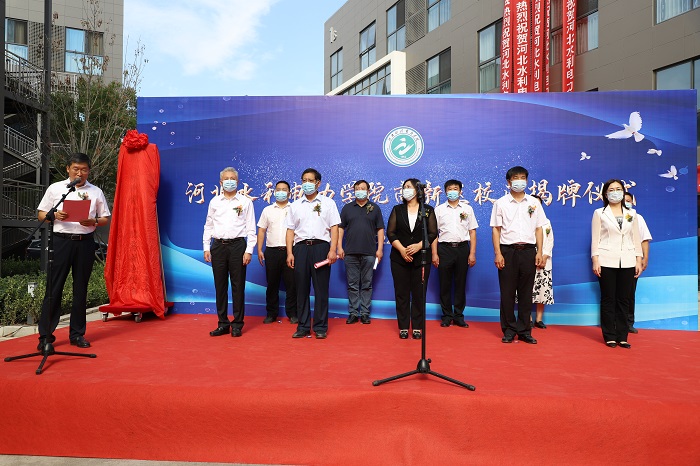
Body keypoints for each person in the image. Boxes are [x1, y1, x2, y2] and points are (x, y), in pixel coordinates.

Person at [36, 152, 111, 350]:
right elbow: (41, 214)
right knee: (54, 288)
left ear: (89, 171)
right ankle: (45, 337)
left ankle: (77, 334)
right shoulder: (56, 189)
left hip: (85, 243)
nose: (80, 173)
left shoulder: (96, 191)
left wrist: (94, 221)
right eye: (76, 169)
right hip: (61, 242)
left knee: (80, 289)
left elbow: (105, 218)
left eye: (84, 169)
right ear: (68, 169)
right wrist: (55, 215)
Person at [490, 166, 546, 344]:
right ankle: (508, 329)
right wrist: (498, 253)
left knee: (525, 293)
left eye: (523, 178)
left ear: (527, 181)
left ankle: (524, 330)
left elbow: (539, 228)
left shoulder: (534, 202)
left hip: (528, 251)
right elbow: (496, 230)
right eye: (515, 178)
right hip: (508, 251)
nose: (519, 181)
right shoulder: (501, 203)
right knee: (507, 293)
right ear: (509, 182)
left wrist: (539, 251)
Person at [286, 168, 340, 339]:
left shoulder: (328, 203)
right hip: (300, 248)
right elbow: (290, 230)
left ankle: (320, 327)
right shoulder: (295, 205)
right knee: (301, 289)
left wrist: (332, 249)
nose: (306, 184)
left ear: (318, 183)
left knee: (321, 289)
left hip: (321, 248)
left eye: (310, 180)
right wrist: (290, 253)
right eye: (304, 180)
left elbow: (334, 227)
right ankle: (303, 326)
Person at [203, 167, 256, 338]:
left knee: (238, 286)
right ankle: (223, 323)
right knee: (220, 287)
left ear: (238, 182)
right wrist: (206, 247)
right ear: (221, 182)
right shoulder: (214, 202)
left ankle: (238, 324)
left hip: (238, 246)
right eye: (226, 179)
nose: (229, 181)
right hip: (218, 246)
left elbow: (251, 228)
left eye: (233, 178)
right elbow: (208, 225)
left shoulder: (245, 202)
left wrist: (249, 250)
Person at [591, 179, 643, 349]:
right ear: (606, 194)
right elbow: (595, 239)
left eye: (618, 189)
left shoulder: (631, 213)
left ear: (623, 192)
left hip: (628, 260)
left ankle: (622, 336)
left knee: (624, 299)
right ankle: (609, 336)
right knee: (608, 298)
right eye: (611, 190)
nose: (615, 192)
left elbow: (636, 238)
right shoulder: (599, 213)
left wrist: (638, 259)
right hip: (606, 259)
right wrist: (595, 260)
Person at [387, 178, 437, 340]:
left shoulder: (427, 210)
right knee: (401, 293)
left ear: (417, 190)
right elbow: (391, 233)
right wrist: (402, 250)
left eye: (408, 187)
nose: (405, 189)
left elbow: (433, 233)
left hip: (421, 258)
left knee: (419, 294)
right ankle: (403, 327)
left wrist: (419, 246)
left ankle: (417, 327)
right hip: (399, 258)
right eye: (404, 187)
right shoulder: (397, 209)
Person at [431, 179, 477, 328]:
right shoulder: (439, 210)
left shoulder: (468, 209)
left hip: (463, 249)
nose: (452, 191)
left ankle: (458, 316)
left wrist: (472, 253)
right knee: (444, 284)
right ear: (445, 192)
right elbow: (434, 234)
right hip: (444, 249)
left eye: (455, 189)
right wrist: (434, 254)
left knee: (460, 284)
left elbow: (472, 232)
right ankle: (446, 316)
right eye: (449, 189)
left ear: (460, 191)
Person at [338, 180, 385, 325]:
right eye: (357, 189)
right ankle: (353, 313)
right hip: (350, 253)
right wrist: (339, 247)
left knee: (366, 284)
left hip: (369, 253)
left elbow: (380, 229)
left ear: (368, 191)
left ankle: (365, 313)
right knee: (352, 284)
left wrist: (380, 249)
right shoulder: (347, 208)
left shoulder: (375, 208)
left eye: (362, 188)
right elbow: (341, 228)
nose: (360, 191)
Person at [257, 180, 298, 324]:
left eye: (284, 189)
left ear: (289, 193)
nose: (281, 192)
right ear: (274, 192)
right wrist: (259, 249)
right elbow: (262, 230)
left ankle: (292, 313)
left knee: (292, 285)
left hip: (290, 251)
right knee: (272, 284)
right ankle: (271, 313)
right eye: (278, 189)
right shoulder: (267, 210)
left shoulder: (295, 209)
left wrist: (292, 251)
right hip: (272, 251)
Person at [624, 192, 651, 334]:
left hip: (633, 260)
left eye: (629, 200)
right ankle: (612, 323)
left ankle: (628, 323)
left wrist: (644, 258)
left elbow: (644, 239)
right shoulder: (607, 216)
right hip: (613, 260)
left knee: (629, 293)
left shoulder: (637, 218)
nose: (626, 202)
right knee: (612, 294)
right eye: (624, 200)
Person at [531, 195, 553, 329]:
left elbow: (550, 240)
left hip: (544, 262)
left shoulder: (546, 222)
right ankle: (527, 318)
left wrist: (544, 256)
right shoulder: (526, 221)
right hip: (528, 259)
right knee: (526, 290)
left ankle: (538, 319)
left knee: (542, 290)